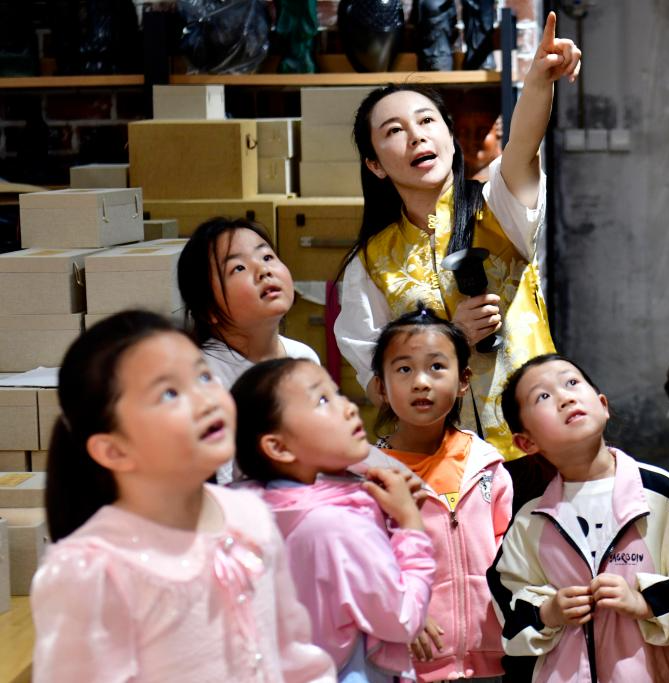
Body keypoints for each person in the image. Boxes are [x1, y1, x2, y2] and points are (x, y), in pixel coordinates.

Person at [31, 310, 335, 682]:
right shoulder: (94, 571)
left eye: (204, 376)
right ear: (114, 450)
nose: (206, 399)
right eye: (169, 393)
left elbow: (293, 655)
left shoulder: (250, 515)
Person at [334, 12, 581, 457]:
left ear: (449, 136)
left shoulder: (498, 209)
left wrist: (538, 81)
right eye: (394, 131)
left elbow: (523, 148)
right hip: (443, 464)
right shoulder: (369, 264)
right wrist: (449, 340)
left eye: (427, 121)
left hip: (536, 445)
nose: (416, 137)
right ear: (375, 165)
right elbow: (378, 387)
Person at [488, 354, 669, 683]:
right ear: (527, 442)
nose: (565, 398)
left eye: (572, 382)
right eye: (543, 396)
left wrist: (645, 601)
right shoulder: (529, 522)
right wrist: (548, 612)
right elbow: (507, 608)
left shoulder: (660, 493)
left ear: (603, 405)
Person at [231, 357, 435, 682]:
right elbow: (402, 618)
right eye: (323, 400)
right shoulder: (337, 525)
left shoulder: (252, 508)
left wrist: (388, 519)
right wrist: (410, 524)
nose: (349, 407)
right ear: (278, 447)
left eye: (337, 393)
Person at [372, 305, 512, 682]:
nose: (421, 382)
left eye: (436, 366)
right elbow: (363, 564)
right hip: (410, 662)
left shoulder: (486, 465)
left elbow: (510, 555)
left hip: (492, 657)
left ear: (463, 379)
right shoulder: (369, 476)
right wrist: (403, 612)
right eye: (404, 369)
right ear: (381, 387)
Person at [177, 217, 320, 482]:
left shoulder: (303, 357)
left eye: (267, 257)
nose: (264, 270)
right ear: (208, 309)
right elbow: (219, 485)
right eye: (239, 268)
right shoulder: (204, 379)